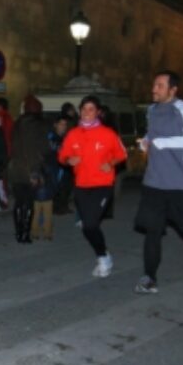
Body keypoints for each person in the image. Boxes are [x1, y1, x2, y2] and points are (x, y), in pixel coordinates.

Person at [133, 70, 183, 294]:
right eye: (154, 85)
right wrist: (145, 142)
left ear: (173, 90)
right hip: (154, 182)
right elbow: (152, 135)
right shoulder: (151, 110)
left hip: (181, 183)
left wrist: (163, 142)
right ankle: (149, 278)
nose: (153, 89)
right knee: (152, 231)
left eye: (159, 85)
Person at [59, 96, 127, 277]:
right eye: (84, 109)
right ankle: (104, 254)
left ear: (97, 112)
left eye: (91, 109)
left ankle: (103, 258)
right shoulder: (73, 134)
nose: (86, 112)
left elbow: (122, 154)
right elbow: (62, 156)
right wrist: (68, 160)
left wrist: (110, 163)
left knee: (90, 224)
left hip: (102, 185)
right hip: (81, 185)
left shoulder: (108, 133)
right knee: (88, 227)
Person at [7, 95, 50, 244]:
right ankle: (25, 234)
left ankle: (19, 233)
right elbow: (44, 149)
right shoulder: (40, 125)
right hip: (32, 169)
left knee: (19, 201)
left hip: (16, 168)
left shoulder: (17, 123)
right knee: (29, 201)